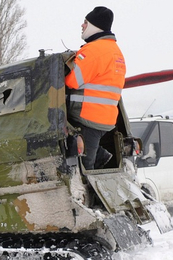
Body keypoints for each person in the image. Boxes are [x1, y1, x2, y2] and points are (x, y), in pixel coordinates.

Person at [65, 6, 126, 170]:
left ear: (94, 26)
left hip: (88, 116)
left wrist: (68, 64)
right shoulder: (115, 51)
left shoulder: (94, 50)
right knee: (86, 150)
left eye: (86, 22)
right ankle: (102, 156)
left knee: (85, 167)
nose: (82, 25)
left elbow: (72, 81)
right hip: (105, 117)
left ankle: (91, 192)